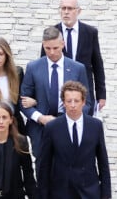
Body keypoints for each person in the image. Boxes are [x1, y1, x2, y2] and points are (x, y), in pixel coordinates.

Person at [20, 26, 89, 166]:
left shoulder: (77, 68)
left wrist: (69, 117)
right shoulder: (33, 67)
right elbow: (22, 101)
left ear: (63, 44)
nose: (51, 52)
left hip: (69, 126)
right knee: (42, 169)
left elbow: (87, 103)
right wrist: (40, 118)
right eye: (47, 48)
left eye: (55, 48)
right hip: (40, 129)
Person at [38, 81, 111, 199]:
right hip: (61, 192)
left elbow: (103, 162)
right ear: (63, 103)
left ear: (83, 102)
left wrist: (106, 194)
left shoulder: (95, 126)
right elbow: (44, 165)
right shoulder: (52, 127)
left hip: (89, 191)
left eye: (76, 101)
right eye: (69, 101)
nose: (73, 105)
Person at [41, 0, 107, 115]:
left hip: (83, 91)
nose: (66, 12)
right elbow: (43, 65)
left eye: (70, 8)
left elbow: (97, 65)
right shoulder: (51, 34)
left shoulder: (90, 32)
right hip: (58, 94)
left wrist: (101, 95)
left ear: (78, 11)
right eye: (63, 8)